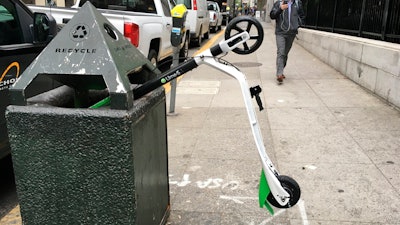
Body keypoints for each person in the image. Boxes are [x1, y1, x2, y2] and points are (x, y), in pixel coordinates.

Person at [270, 0, 305, 84]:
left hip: (292, 33)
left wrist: (298, 25)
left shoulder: (297, 3)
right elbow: (272, 15)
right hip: (280, 33)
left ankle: (281, 69)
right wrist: (280, 9)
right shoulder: (278, 3)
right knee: (281, 52)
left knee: (285, 53)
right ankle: (279, 74)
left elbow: (302, 15)